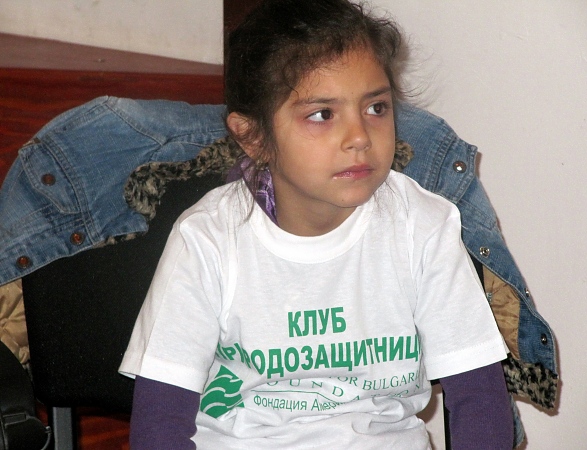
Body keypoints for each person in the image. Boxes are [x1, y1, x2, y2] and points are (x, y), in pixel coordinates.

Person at [118, 0, 514, 448]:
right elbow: (159, 424)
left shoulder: (423, 226)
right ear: (253, 136)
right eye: (323, 114)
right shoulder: (207, 238)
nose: (360, 137)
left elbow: (480, 400)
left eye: (376, 107)